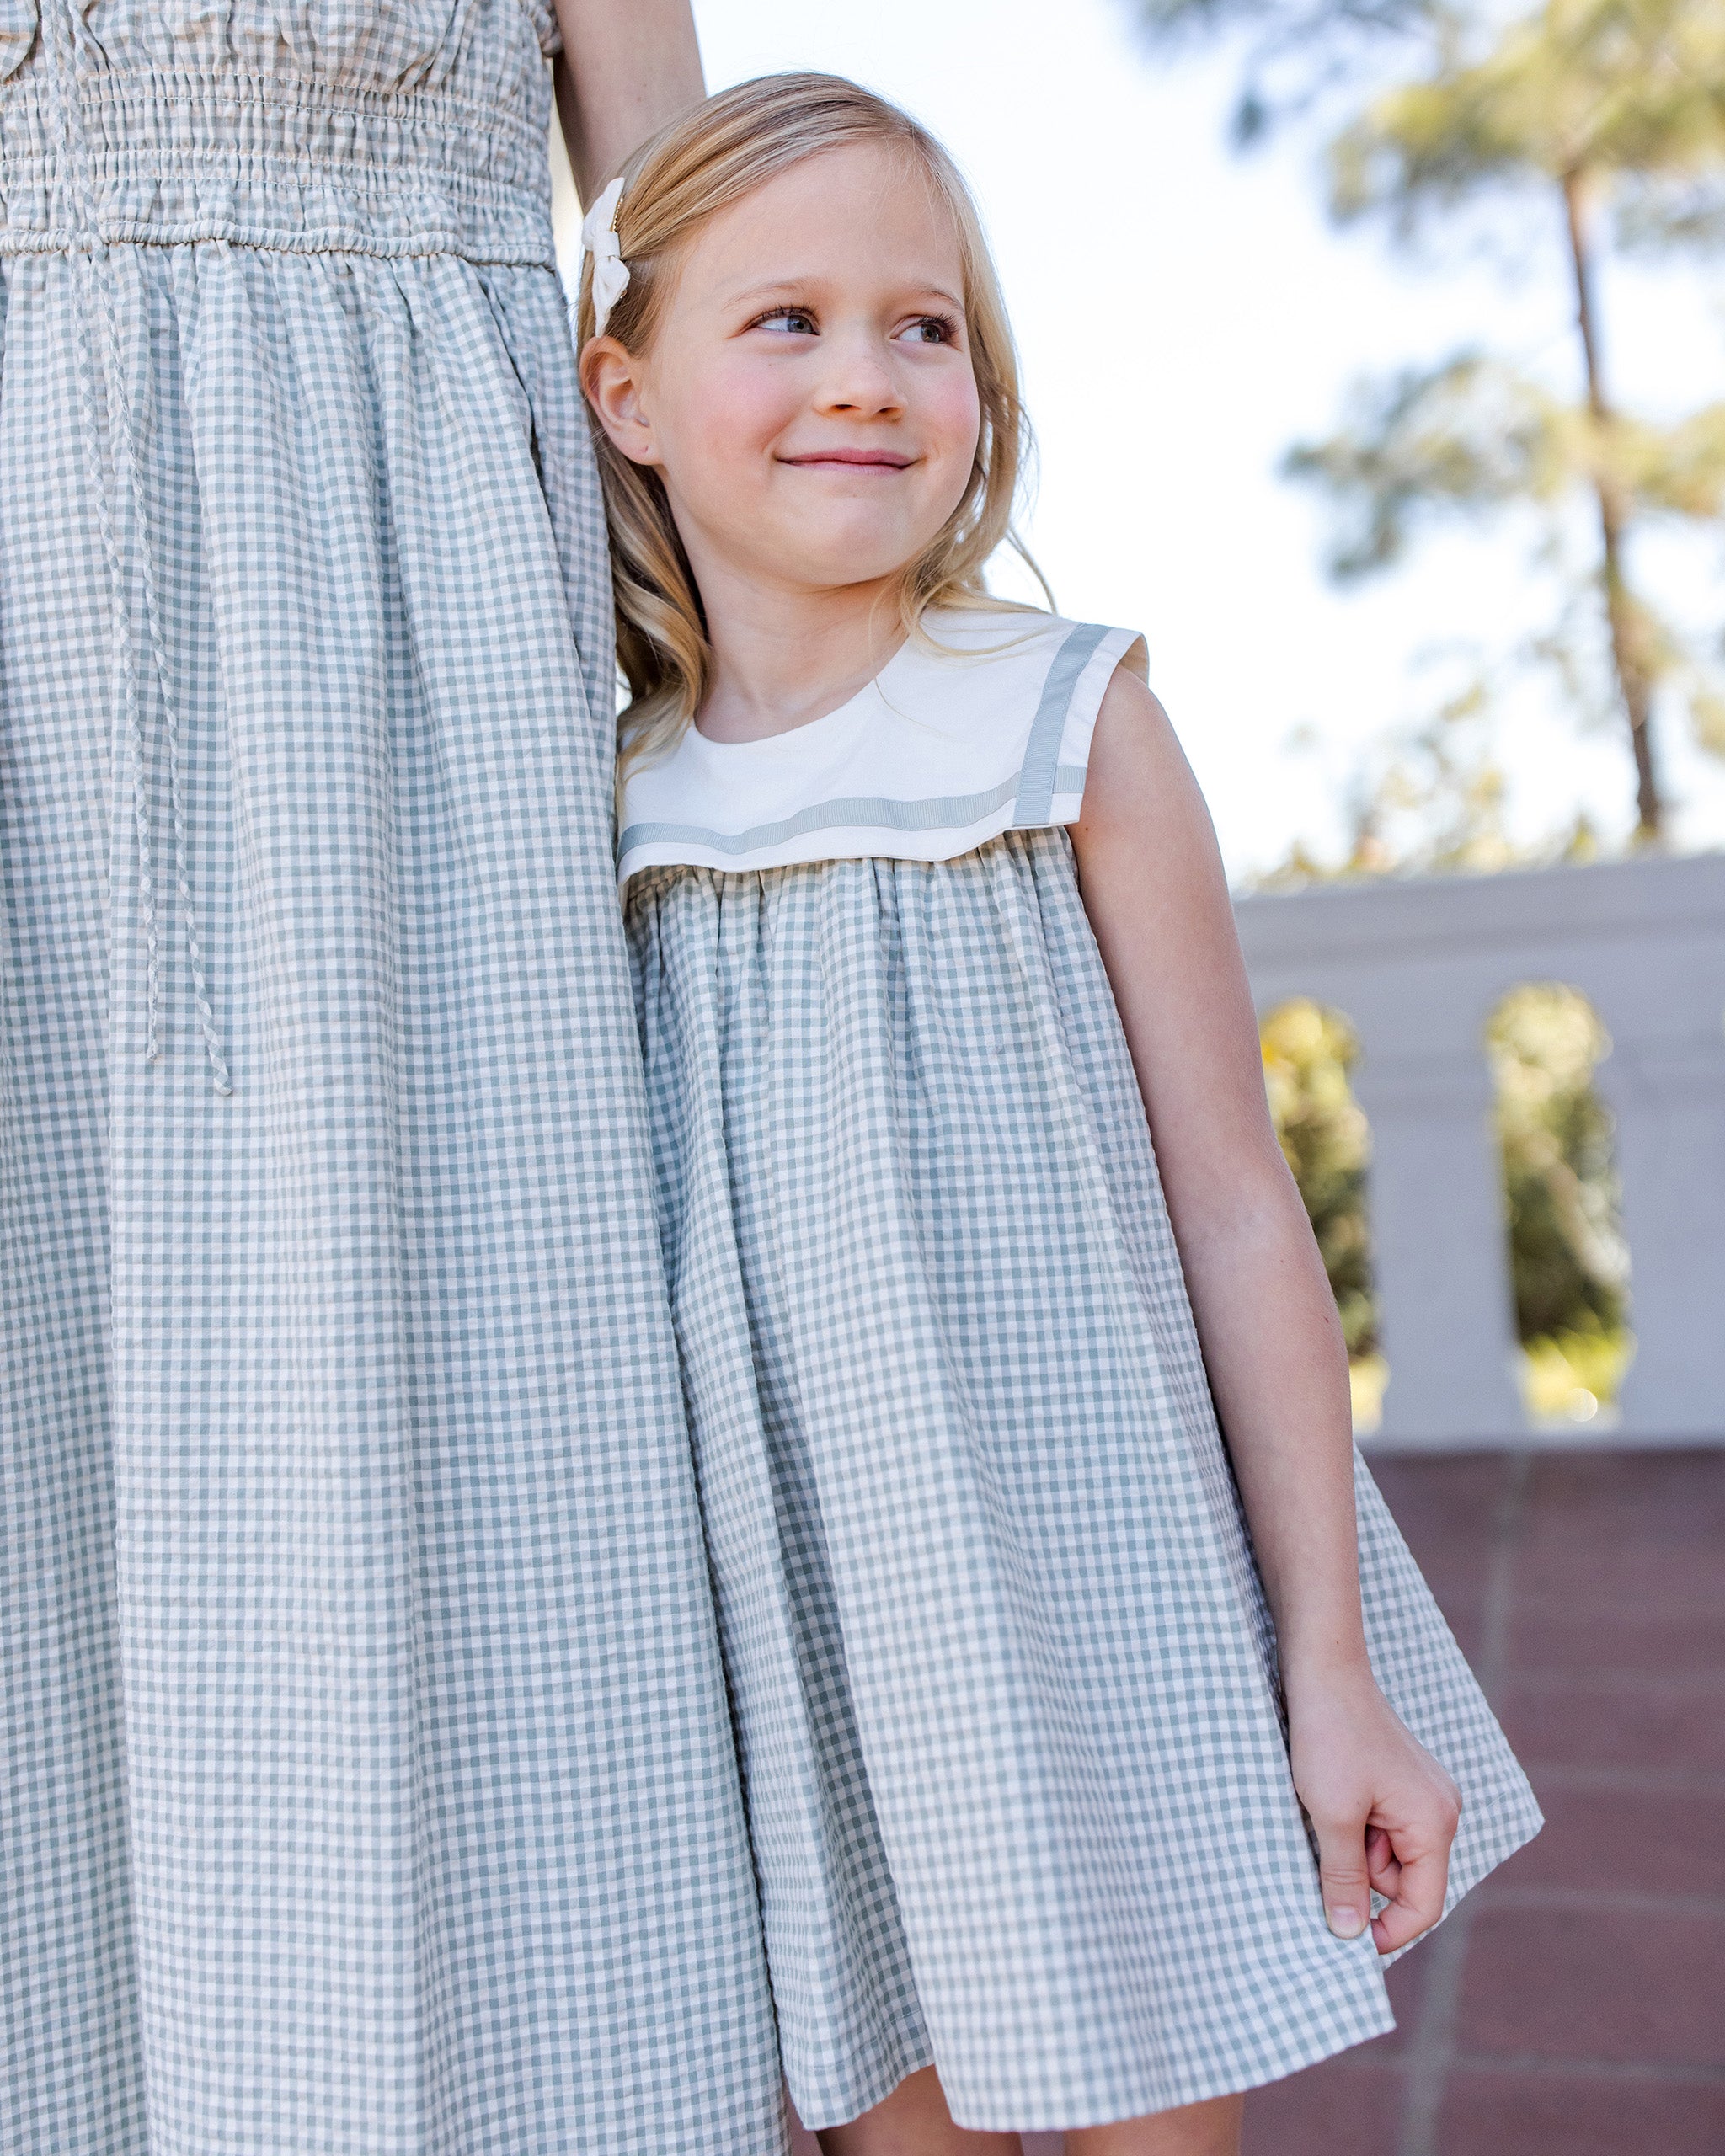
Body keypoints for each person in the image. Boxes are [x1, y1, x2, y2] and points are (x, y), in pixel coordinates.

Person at [578, 73, 1544, 2156]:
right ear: (625, 392)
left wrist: (1331, 1662)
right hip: (792, 1649)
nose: (865, 377)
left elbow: (1232, 1209)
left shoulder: (1070, 721)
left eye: (924, 326)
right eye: (785, 321)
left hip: (1094, 1622)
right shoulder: (611, 807)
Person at [0, 6, 787, 2153]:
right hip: (32, 664)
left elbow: (693, 233)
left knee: (493, 1429)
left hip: (432, 671)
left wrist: (821, 746)